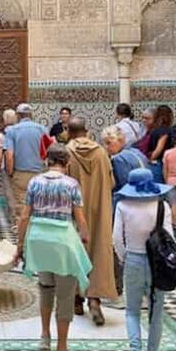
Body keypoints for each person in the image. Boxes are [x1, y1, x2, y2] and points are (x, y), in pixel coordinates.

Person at [16, 144, 91, 351]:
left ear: (47, 161)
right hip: (62, 242)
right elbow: (79, 217)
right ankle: (62, 349)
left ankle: (44, 337)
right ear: (67, 163)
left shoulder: (34, 182)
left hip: (39, 240)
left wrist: (19, 244)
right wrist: (84, 236)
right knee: (65, 295)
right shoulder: (71, 184)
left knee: (46, 288)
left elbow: (24, 216)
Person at [113, 168, 175, 351]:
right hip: (157, 264)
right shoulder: (162, 206)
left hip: (133, 259)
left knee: (132, 311)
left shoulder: (123, 205)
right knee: (156, 312)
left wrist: (124, 257)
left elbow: (116, 238)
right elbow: (170, 238)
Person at [65, 117, 116, 324]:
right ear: (86, 131)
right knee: (98, 252)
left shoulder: (67, 152)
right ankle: (94, 301)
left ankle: (77, 299)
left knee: (76, 253)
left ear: (69, 132)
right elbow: (111, 182)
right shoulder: (101, 152)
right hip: (100, 212)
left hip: (75, 214)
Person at [4, 103, 48, 228]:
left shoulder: (12, 131)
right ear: (31, 115)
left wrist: (10, 172)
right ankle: (36, 230)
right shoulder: (42, 129)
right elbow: (47, 151)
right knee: (38, 203)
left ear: (18, 115)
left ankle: (21, 232)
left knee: (21, 205)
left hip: (21, 173)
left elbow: (9, 155)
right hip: (39, 173)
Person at [103, 126, 149, 197]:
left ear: (120, 140)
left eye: (109, 143)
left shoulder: (118, 159)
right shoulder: (136, 151)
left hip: (132, 198)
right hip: (147, 193)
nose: (106, 147)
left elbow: (124, 186)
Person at [0, 109, 18, 223]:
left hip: (6, 166)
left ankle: (14, 218)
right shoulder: (20, 131)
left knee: (9, 192)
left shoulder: (3, 134)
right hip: (20, 166)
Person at [146, 105, 174, 183]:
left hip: (157, 164)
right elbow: (158, 150)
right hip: (161, 164)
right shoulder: (165, 131)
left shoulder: (155, 130)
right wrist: (151, 159)